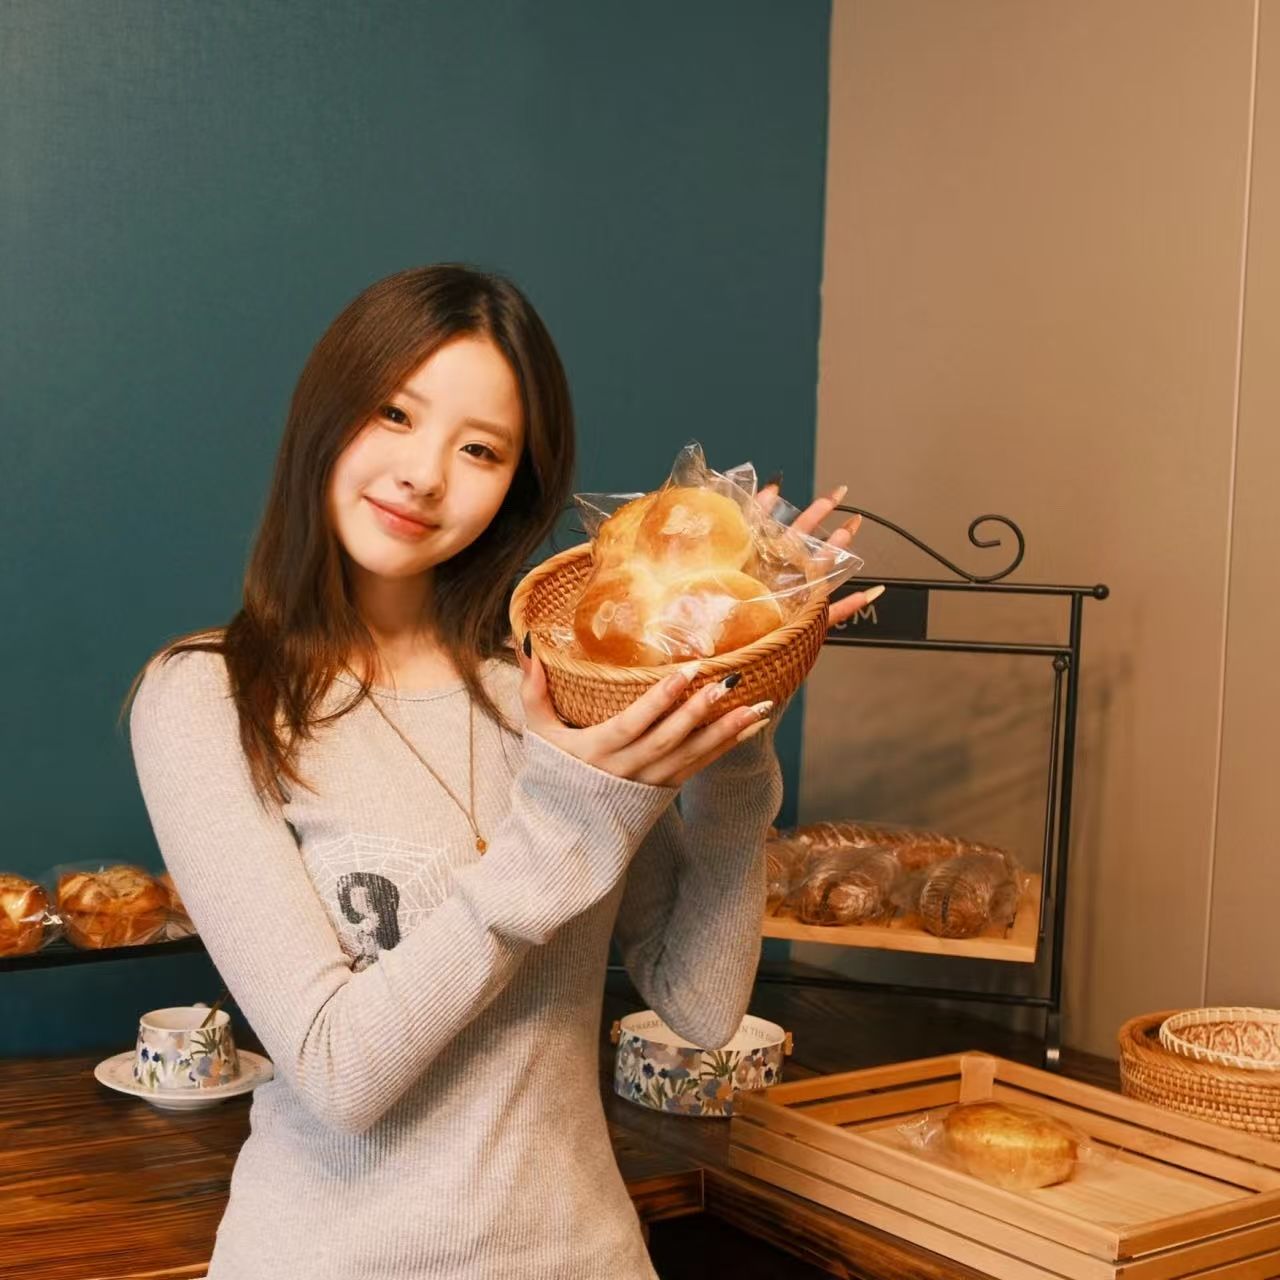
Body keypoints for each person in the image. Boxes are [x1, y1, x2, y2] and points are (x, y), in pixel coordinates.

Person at [126, 264, 872, 1279]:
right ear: (324, 415)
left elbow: (699, 1007)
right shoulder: (208, 698)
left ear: (516, 485)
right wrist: (566, 814)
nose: (424, 475)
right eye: (395, 413)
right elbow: (338, 1070)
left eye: (479, 448)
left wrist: (736, 722)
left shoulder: (553, 684)